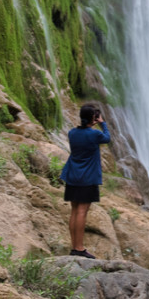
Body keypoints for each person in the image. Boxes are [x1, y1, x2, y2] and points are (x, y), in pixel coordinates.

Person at [60, 103, 111, 259]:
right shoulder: (95, 135)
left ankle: (74, 246)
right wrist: (102, 123)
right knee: (82, 211)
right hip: (87, 177)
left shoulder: (72, 133)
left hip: (72, 175)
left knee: (74, 210)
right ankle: (80, 248)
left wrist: (92, 121)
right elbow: (107, 138)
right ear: (93, 118)